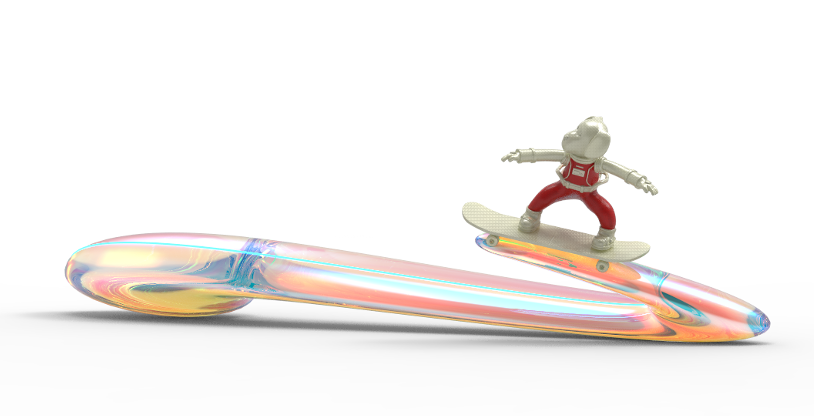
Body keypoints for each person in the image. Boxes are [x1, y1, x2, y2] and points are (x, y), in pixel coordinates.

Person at [501, 116, 657, 251]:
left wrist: (639, 180)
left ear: (595, 145)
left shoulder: (598, 163)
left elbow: (623, 172)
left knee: (604, 209)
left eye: (579, 134)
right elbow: (542, 154)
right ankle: (531, 217)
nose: (571, 135)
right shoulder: (568, 156)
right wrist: (521, 155)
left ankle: (607, 234)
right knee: (545, 194)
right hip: (563, 187)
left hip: (588, 193)